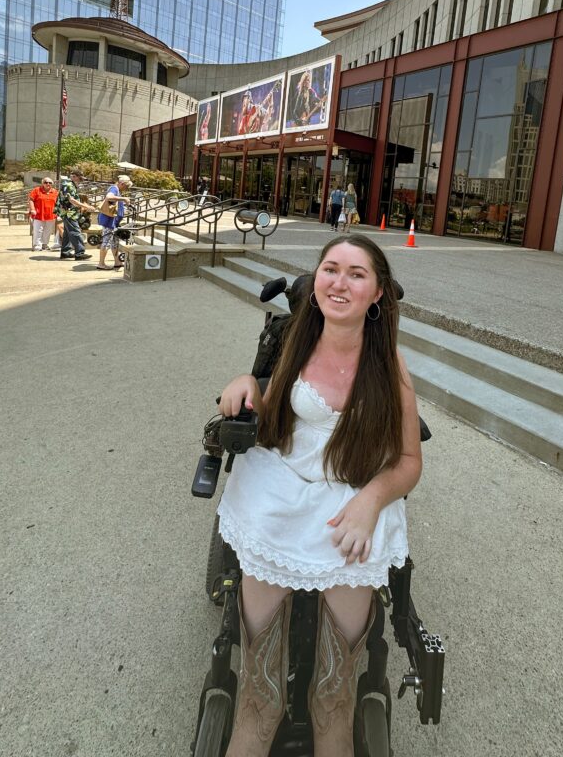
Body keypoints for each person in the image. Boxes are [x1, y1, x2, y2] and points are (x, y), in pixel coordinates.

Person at [217, 234, 422, 757]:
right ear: (317, 281)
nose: (340, 282)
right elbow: (273, 414)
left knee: (334, 700)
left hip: (353, 496)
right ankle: (260, 711)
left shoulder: (390, 366)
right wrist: (247, 380)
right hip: (282, 487)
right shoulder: (295, 342)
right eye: (331, 269)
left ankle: (328, 712)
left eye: (357, 274)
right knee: (257, 696)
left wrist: (373, 501)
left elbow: (408, 461)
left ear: (377, 293)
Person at [54, 169, 95, 260]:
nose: (81, 180)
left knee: (68, 233)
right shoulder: (69, 185)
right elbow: (71, 200)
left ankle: (65, 252)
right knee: (75, 232)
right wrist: (86, 206)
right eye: (80, 178)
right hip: (68, 212)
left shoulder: (70, 184)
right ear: (74, 176)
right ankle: (79, 253)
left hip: (68, 212)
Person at [96, 175, 132, 271]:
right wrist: (124, 199)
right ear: (122, 184)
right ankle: (101, 263)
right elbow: (109, 197)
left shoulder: (117, 190)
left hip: (113, 221)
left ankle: (117, 261)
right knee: (106, 241)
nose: (126, 189)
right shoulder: (114, 189)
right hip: (108, 221)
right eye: (126, 187)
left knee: (114, 242)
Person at [27, 177, 58, 251]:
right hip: (39, 214)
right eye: (46, 182)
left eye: (50, 183)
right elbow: (31, 200)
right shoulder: (37, 190)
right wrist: (32, 209)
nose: (48, 184)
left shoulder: (55, 192)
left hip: (51, 215)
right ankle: (37, 245)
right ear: (42, 183)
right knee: (38, 230)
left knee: (48, 231)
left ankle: (44, 244)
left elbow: (58, 203)